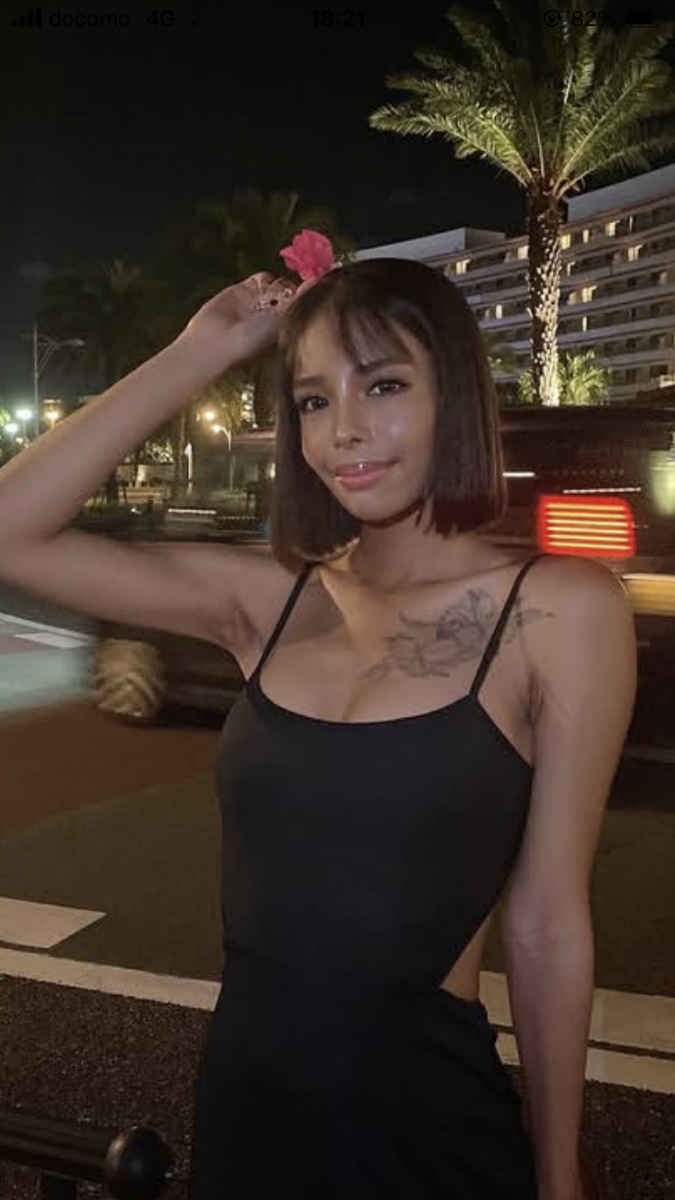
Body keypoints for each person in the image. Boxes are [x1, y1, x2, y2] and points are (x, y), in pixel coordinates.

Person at [0, 258, 636, 1200]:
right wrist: (202, 350)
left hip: (425, 1129)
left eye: (382, 386)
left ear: (453, 394)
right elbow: (11, 529)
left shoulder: (556, 610)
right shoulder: (272, 598)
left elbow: (546, 923)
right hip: (246, 1115)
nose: (343, 430)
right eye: (311, 400)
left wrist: (556, 1177)